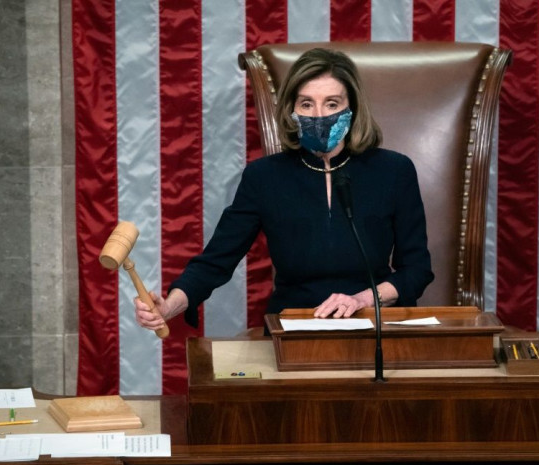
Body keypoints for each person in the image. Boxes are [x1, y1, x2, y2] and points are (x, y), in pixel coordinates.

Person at [135, 47, 433, 333]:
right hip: (294, 326)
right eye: (306, 104)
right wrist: (169, 306)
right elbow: (217, 260)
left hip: (373, 323)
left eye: (332, 103)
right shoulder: (264, 176)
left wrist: (362, 299)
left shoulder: (394, 170)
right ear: (292, 111)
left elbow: (417, 269)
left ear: (351, 109)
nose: (319, 115)